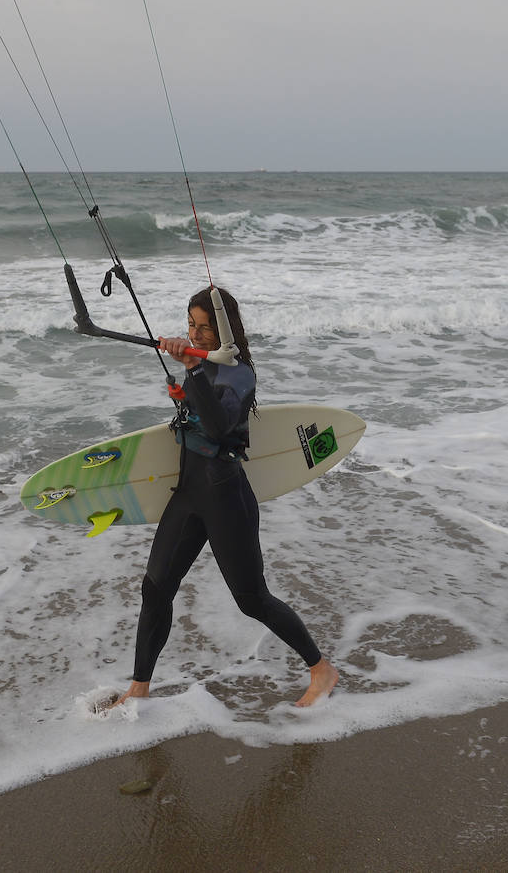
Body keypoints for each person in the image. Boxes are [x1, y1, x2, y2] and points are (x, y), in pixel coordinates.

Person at [111, 286, 338, 709]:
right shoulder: (201, 366)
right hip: (188, 494)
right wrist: (188, 378)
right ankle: (138, 689)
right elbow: (198, 418)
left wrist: (190, 371)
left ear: (226, 329)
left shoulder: (239, 374)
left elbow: (217, 428)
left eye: (205, 328)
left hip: (225, 496)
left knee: (252, 599)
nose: (196, 335)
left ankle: (321, 669)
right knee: (155, 590)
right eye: (191, 326)